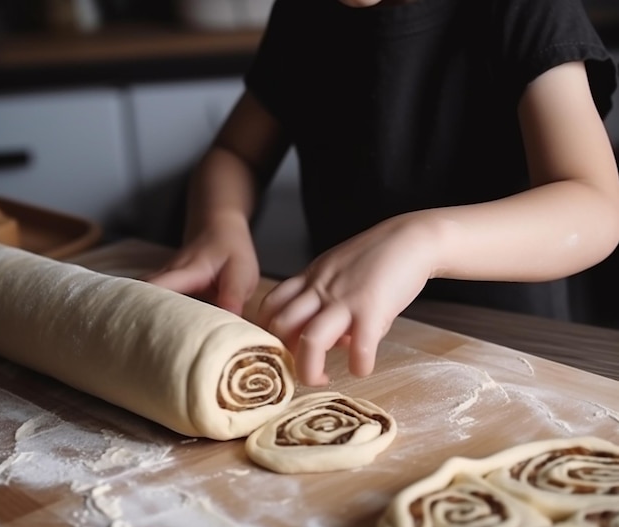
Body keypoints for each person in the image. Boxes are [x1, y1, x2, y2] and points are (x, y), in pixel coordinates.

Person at [147, 0, 619, 388]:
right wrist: (219, 223)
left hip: (506, 357)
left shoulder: (525, 8)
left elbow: (595, 205)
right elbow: (235, 153)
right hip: (347, 350)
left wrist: (423, 242)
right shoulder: (303, 12)